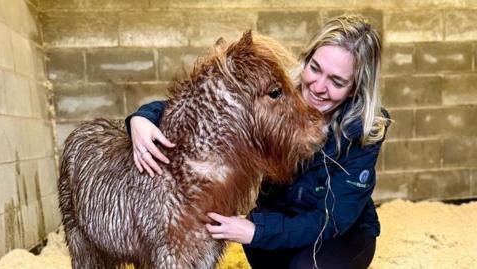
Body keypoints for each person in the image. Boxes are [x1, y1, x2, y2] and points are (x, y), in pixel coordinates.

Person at [125, 15, 391, 269]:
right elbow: (204, 103)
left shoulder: (366, 130)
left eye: (337, 81)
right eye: (315, 68)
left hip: (336, 230)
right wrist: (141, 118)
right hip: (279, 216)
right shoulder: (277, 91)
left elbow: (333, 219)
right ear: (306, 59)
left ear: (357, 87)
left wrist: (257, 230)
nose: (318, 87)